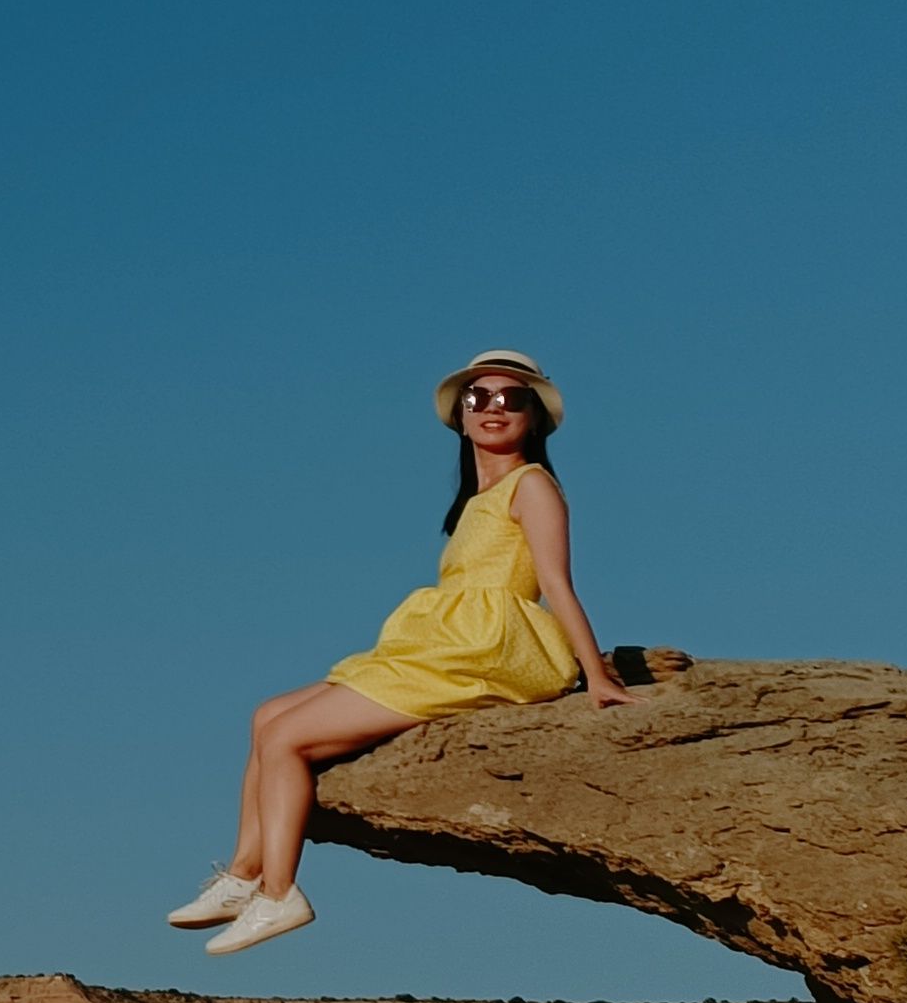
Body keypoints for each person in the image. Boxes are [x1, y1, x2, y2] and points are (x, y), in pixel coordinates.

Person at [169, 350, 632, 958]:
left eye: (511, 398)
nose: (492, 408)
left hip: (482, 647)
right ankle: (243, 874)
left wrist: (595, 675)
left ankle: (279, 892)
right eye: (477, 398)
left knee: (287, 739)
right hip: (445, 639)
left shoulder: (533, 486)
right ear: (460, 419)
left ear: (536, 420)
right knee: (265, 716)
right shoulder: (477, 498)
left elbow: (558, 583)